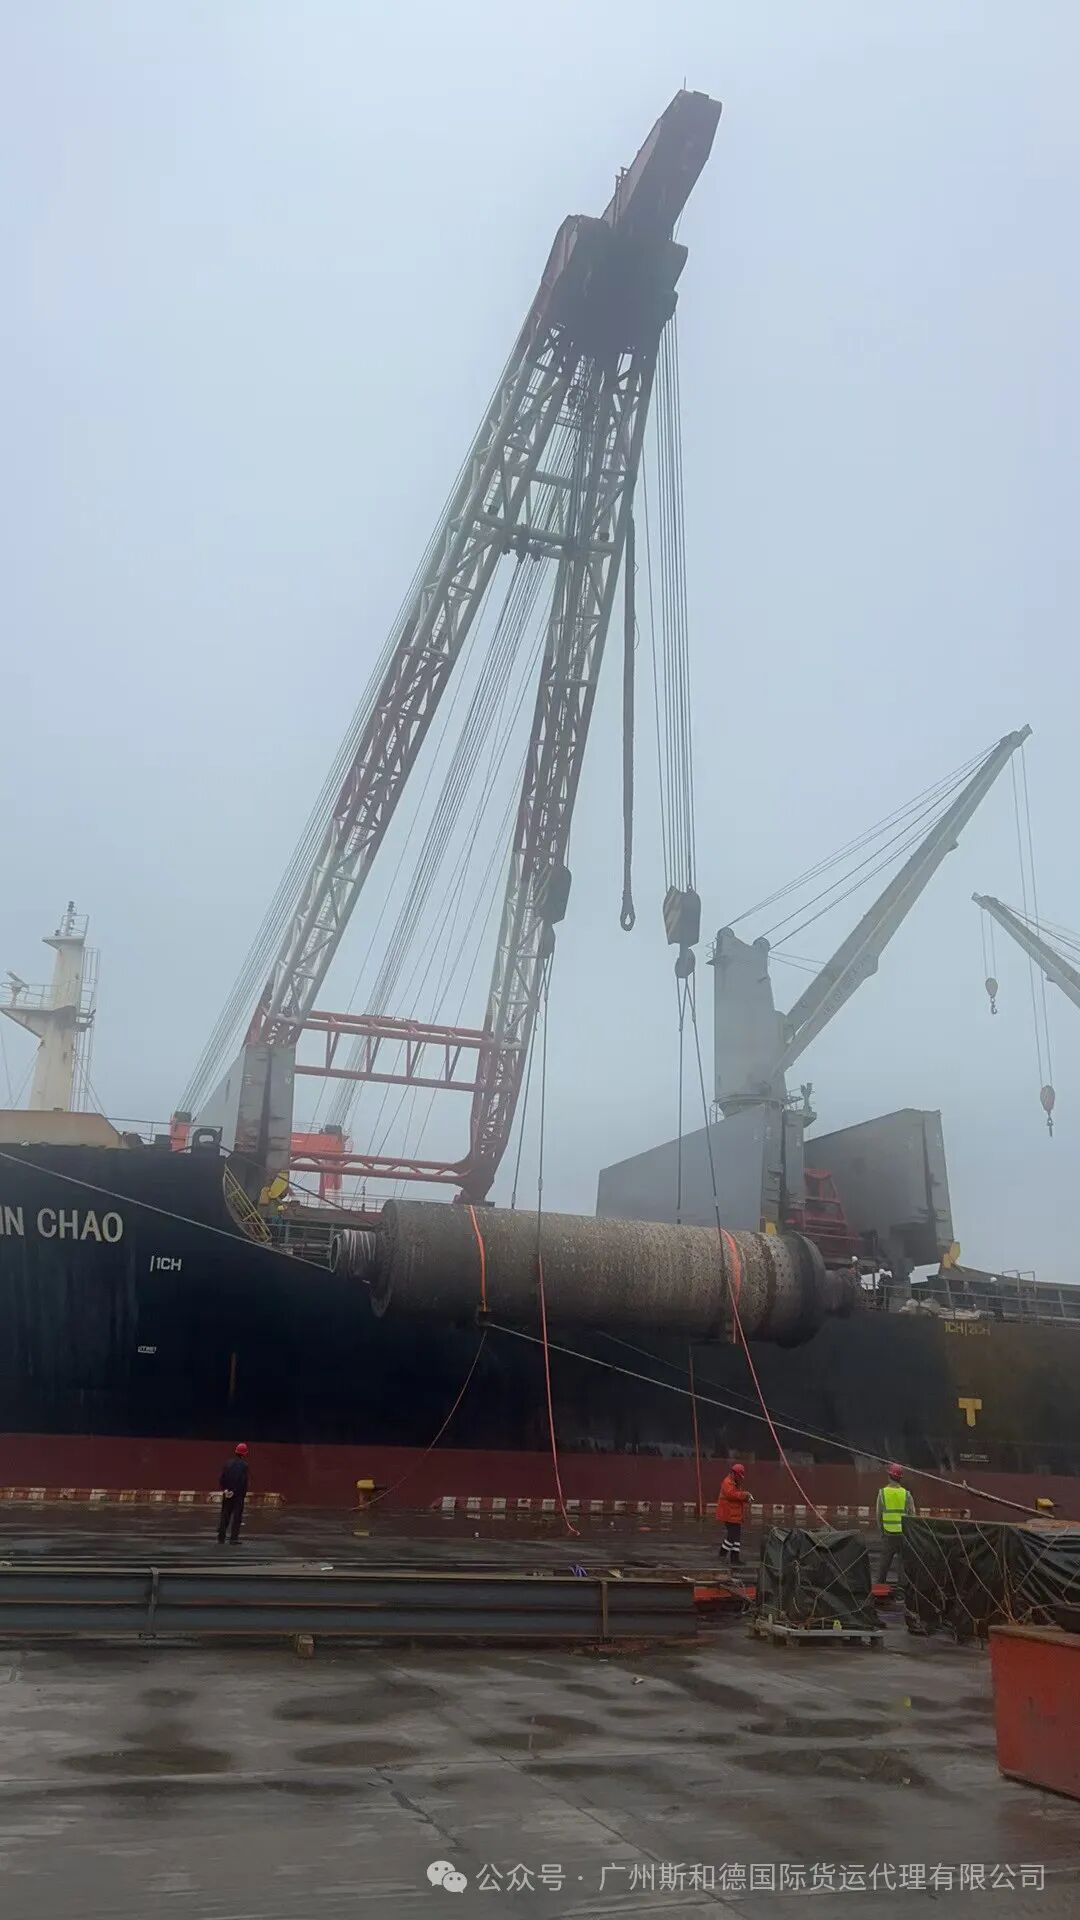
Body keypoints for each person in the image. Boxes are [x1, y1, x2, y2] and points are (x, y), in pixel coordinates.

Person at [876, 1461, 916, 1587]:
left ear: (889, 1476)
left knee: (883, 1567)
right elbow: (912, 1516)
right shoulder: (907, 1494)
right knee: (902, 1567)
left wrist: (882, 1531)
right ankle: (902, 1595)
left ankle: (879, 1595)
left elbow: (879, 1515)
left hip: (888, 1535)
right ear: (900, 1478)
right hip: (903, 1536)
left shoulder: (882, 1493)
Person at [715, 1461, 752, 1566]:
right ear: (734, 1473)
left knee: (736, 1537)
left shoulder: (734, 1482)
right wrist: (745, 1495)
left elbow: (736, 1496)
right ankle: (722, 1554)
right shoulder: (727, 1482)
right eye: (739, 1476)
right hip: (729, 1515)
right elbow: (732, 1495)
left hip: (734, 1515)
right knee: (731, 1537)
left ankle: (735, 1558)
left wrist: (746, 1498)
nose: (740, 1478)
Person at [217, 1442, 249, 1544]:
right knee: (237, 1517)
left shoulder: (228, 1463)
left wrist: (225, 1490)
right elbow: (243, 1482)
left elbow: (222, 1478)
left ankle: (221, 1537)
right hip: (238, 1495)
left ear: (235, 1452)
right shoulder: (244, 1465)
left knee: (225, 1515)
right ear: (245, 1454)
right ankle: (233, 1539)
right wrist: (238, 1493)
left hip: (227, 1494)